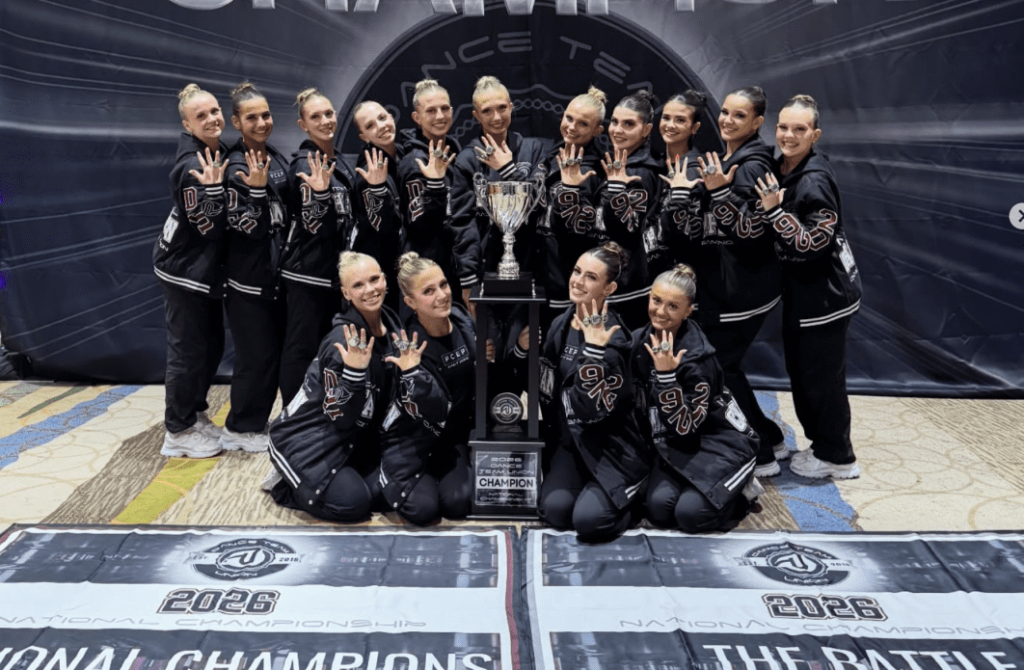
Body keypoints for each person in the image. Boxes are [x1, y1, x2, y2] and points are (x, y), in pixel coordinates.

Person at [660, 86, 786, 476]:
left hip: (741, 291)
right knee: (728, 366)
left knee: (723, 369)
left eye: (739, 115)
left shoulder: (750, 166)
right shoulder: (736, 157)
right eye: (726, 113)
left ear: (758, 122)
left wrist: (717, 192)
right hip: (732, 285)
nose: (728, 120)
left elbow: (751, 232)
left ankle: (761, 453)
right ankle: (771, 436)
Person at [754, 94, 862, 479]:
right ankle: (825, 445)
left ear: (815, 134)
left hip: (825, 296)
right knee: (806, 375)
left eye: (799, 129)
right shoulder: (784, 164)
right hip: (808, 293)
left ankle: (837, 456)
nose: (788, 135)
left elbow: (811, 243)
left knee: (820, 380)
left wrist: (774, 211)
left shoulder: (814, 178)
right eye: (783, 127)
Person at [265, 252, 399, 521]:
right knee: (353, 505)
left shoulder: (391, 322)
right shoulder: (341, 344)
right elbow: (340, 417)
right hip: (310, 436)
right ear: (346, 293)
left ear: (385, 280)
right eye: (358, 285)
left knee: (392, 493)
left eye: (375, 279)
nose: (370, 289)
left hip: (352, 437)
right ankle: (287, 483)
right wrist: (354, 372)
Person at [631, 264, 762, 532]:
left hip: (719, 442)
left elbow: (685, 428)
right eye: (656, 300)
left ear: (688, 311)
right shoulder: (639, 341)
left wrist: (666, 378)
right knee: (659, 510)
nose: (660, 311)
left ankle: (742, 493)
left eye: (672, 306)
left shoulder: (698, 359)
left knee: (691, 517)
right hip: (675, 443)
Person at [536, 242, 647, 543]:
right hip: (571, 443)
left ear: (609, 289)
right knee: (554, 512)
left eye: (590, 277)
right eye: (576, 271)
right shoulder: (561, 323)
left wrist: (594, 353)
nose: (578, 281)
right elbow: (545, 390)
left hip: (609, 447)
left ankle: (635, 500)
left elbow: (590, 410)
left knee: (589, 523)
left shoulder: (614, 340)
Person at [153, 83, 230, 458]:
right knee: (187, 351)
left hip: (201, 270)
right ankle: (177, 430)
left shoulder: (215, 152)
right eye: (202, 116)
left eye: (215, 111)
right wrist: (216, 195)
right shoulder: (191, 166)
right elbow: (207, 227)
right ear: (187, 124)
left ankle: (194, 411)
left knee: (211, 345)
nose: (212, 119)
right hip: (182, 270)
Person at [375, 252, 474, 524]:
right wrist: (412, 373)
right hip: (414, 440)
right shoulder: (406, 345)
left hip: (453, 439)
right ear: (410, 302)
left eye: (443, 285)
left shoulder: (463, 320)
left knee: (458, 504)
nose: (442, 295)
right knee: (423, 511)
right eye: (428, 291)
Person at [278, 88, 358, 405]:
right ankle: (292, 415)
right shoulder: (306, 166)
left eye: (329, 113)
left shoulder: (334, 160)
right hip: (306, 275)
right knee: (301, 349)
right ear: (302, 124)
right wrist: (321, 196)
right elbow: (316, 228)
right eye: (316, 117)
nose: (325, 121)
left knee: (327, 347)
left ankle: (320, 411)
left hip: (330, 274)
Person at [221, 81, 289, 452]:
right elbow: (248, 228)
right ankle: (240, 428)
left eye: (265, 115)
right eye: (252, 117)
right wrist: (259, 192)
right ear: (236, 121)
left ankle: (257, 422)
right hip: (246, 280)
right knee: (255, 357)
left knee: (270, 354)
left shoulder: (273, 157)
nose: (262, 122)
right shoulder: (235, 167)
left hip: (273, 277)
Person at [450, 76, 550, 296]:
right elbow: (462, 222)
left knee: (527, 331)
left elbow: (540, 204)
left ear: (511, 107)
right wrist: (467, 280)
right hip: (485, 270)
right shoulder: (468, 159)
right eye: (487, 111)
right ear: (476, 115)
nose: (496, 117)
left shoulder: (533, 150)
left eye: (502, 108)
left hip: (530, 264)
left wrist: (507, 169)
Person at [397, 79, 477, 309]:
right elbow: (418, 227)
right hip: (429, 274)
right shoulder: (414, 163)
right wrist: (434, 185)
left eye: (444, 108)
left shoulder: (454, 153)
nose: (440, 116)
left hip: (453, 268)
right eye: (430, 111)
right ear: (417, 118)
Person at [539, 86, 610, 318]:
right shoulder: (552, 156)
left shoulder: (592, 173)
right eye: (569, 118)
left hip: (566, 280)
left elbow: (582, 232)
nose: (571, 127)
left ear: (597, 130)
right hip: (540, 275)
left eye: (583, 124)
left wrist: (570, 191)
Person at [596, 90, 663, 329]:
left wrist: (614, 190)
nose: (617, 129)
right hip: (615, 279)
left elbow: (626, 230)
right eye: (614, 121)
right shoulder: (621, 165)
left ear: (646, 130)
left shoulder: (641, 173)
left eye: (628, 124)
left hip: (628, 286)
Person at [350, 100, 403, 311]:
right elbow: (386, 228)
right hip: (381, 273)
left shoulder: (404, 155)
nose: (381, 126)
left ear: (391, 117)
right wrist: (377, 189)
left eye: (382, 118)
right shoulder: (367, 174)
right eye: (370, 126)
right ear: (364, 137)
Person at [649, 90, 706, 277]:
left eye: (680, 120)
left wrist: (680, 196)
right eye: (666, 118)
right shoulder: (659, 163)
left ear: (694, 127)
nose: (670, 125)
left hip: (678, 277)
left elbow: (688, 235)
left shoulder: (693, 169)